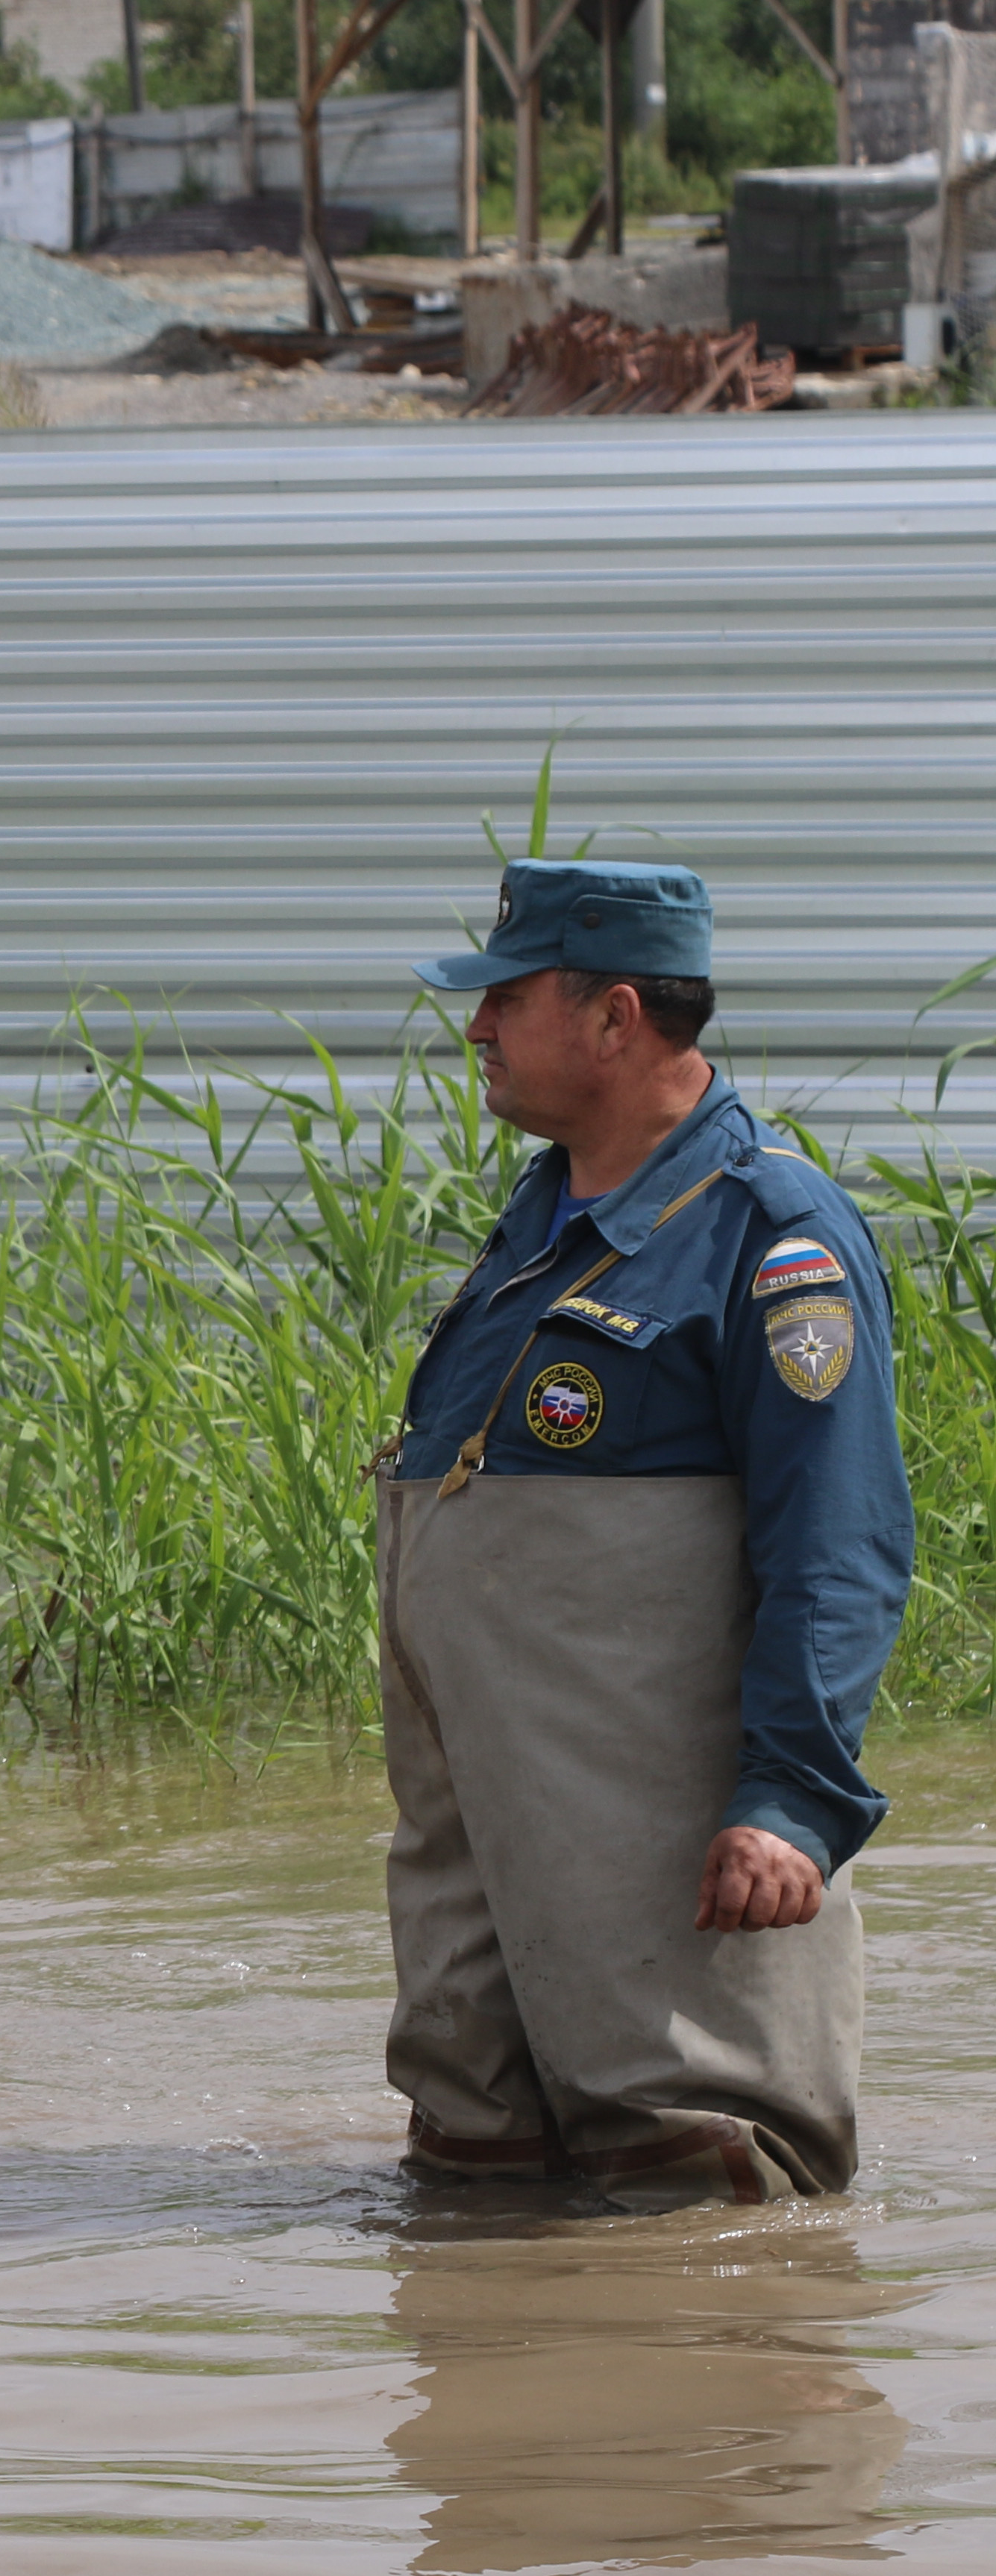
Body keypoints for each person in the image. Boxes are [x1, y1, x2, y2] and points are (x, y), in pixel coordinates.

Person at [379, 861, 910, 2208]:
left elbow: (836, 1542)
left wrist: (790, 1800)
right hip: (493, 1839)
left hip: (663, 1851)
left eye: (505, 999)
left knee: (699, 2190)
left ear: (614, 1018)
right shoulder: (540, 1216)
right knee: (475, 2168)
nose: (474, 1030)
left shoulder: (771, 1236)